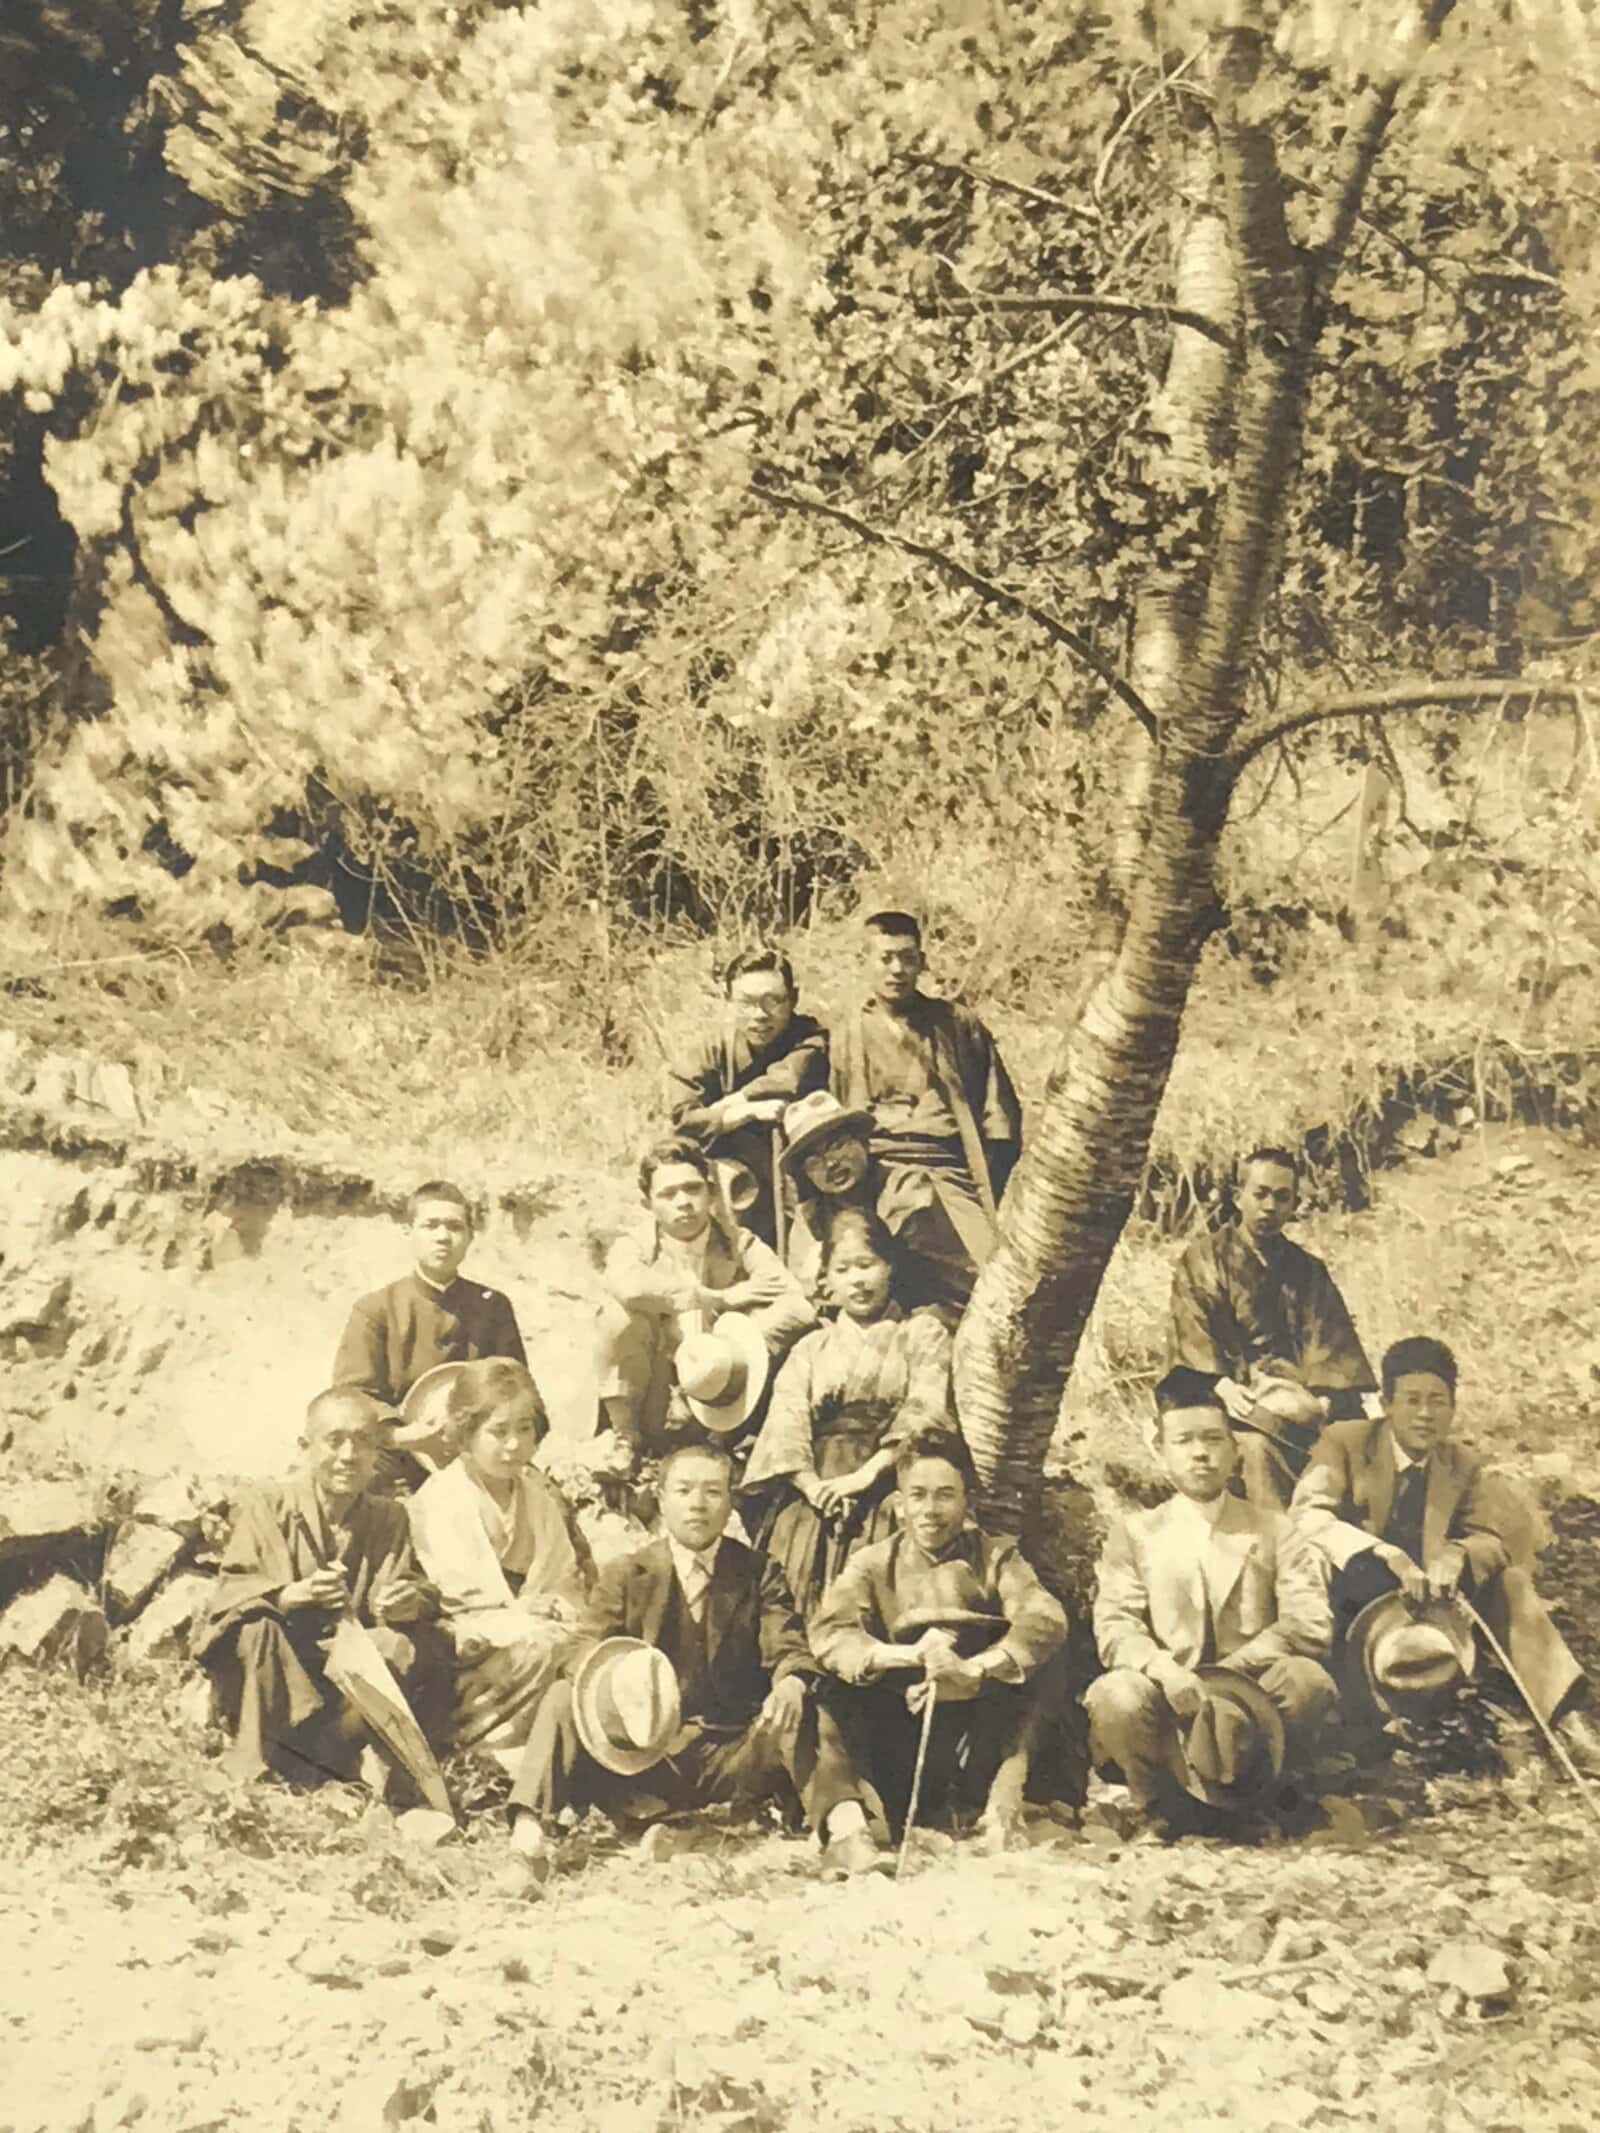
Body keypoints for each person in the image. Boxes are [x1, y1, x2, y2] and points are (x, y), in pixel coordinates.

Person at [505, 1442, 888, 1877]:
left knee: (802, 1701)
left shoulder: (757, 1571)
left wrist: (791, 1680)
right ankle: (527, 1847)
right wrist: (617, 1683)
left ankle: (847, 1833)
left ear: (730, 1503)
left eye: (713, 1492)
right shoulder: (627, 1574)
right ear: (661, 1499)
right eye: (684, 1490)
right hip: (643, 1762)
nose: (698, 1504)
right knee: (561, 1696)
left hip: (733, 1753)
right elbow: (581, 1647)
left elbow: (787, 1644)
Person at [1290, 1335, 1600, 1774]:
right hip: (1355, 1600)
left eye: (1437, 1401)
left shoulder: (1462, 1464)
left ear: (1453, 1408)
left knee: (1511, 1582)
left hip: (1433, 1607)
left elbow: (1491, 1538)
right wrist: (1381, 1553)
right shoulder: (1345, 1442)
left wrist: (1458, 1554)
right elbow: (1306, 1515)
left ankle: (1564, 1718)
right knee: (1311, 1562)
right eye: (1412, 1400)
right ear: (1386, 1404)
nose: (1425, 1414)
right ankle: (1325, 1724)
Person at [1086, 1369, 1338, 1839]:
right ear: (1160, 1450)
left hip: (1252, 1704)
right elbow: (1116, 1627)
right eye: (1184, 1441)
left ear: (1235, 1450)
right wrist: (1164, 1669)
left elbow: (1310, 1623)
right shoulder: (1135, 1534)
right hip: (1171, 1701)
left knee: (1307, 1680)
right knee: (1116, 1692)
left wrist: (1235, 1671)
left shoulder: (1275, 1529)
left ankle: (1270, 1799)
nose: (1200, 1453)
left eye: (1213, 1439)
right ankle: (1154, 1808)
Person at [810, 1426, 1067, 1849]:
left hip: (981, 1729)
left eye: (945, 1495)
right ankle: (852, 1824)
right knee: (824, 1691)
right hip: (902, 1727)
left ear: (967, 1503)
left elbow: (1043, 1617)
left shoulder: (996, 1557)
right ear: (899, 1506)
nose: (930, 1510)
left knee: (1045, 1665)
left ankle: (1005, 1803)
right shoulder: (872, 1563)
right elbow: (830, 1632)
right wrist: (908, 1656)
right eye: (918, 1495)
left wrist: (973, 1670)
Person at [194, 1388, 449, 1792]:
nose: (349, 1456)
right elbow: (231, 1595)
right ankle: (256, 1760)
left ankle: (334, 1756)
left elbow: (413, 1588)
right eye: (334, 1441)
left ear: (377, 1451)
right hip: (274, 1665)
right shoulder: (269, 1504)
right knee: (257, 1627)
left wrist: (405, 1602)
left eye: (362, 1441)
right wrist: (290, 1595)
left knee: (400, 1646)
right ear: (305, 1447)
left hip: (343, 1667)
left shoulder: (389, 1516)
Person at [742, 1207, 953, 1619]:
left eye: (867, 1264)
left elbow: (924, 1410)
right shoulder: (810, 1348)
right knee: (792, 1590)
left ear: (889, 1267)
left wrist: (866, 1476)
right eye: (843, 1269)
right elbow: (786, 1421)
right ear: (827, 1280)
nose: (857, 1279)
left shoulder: (922, 1333)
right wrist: (811, 1486)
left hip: (891, 1479)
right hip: (816, 1490)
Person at [827, 910, 1021, 1317]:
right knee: (864, 1269)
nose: (897, 969)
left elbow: (999, 1115)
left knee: (989, 1279)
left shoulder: (957, 1024)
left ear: (922, 962)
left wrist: (985, 1181)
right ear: (865, 961)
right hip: (876, 1168)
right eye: (885, 958)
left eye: (907, 957)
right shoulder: (846, 1033)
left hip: (948, 1167)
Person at [1167, 1146, 1376, 1508]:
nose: (1269, 1206)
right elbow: (1193, 1337)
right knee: (1257, 1449)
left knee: (1360, 1446)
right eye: (1260, 1194)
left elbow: (1331, 1345)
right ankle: (1277, 1537)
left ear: (1294, 1204)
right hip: (1229, 1397)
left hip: (1300, 1398)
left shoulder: (1308, 1269)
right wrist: (1222, 1384)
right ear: (1238, 1196)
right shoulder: (1202, 1260)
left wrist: (1323, 1400)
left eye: (1282, 1197)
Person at [407, 1358, 592, 1755]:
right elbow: (456, 1597)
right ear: (467, 1431)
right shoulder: (440, 1499)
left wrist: (557, 1604)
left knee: (586, 1649)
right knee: (541, 1649)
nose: (513, 1445)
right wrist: (526, 1611)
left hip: (537, 1631)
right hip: (469, 1644)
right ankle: (486, 1748)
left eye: (524, 1429)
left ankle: (555, 1750)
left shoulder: (540, 1500)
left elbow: (566, 1582)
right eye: (498, 1431)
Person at [597, 1138, 815, 1468]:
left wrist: (738, 1337)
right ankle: (626, 1439)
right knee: (618, 1317)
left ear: (711, 1193)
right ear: (647, 1203)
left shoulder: (739, 1243)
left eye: (693, 1189)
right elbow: (627, 1286)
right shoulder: (635, 1244)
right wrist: (710, 1297)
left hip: (724, 1392)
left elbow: (798, 1305)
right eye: (668, 1194)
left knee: (782, 1322)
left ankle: (721, 1441)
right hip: (658, 1389)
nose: (683, 1202)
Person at [333, 1180, 527, 1490]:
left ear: (470, 1237)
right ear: (408, 1232)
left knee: (543, 1501)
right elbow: (352, 1396)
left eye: (455, 1227)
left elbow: (515, 1388)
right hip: (395, 1456)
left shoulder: (493, 1307)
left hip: (478, 1455)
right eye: (430, 1225)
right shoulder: (375, 1309)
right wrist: (403, 1436)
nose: (443, 1237)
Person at [663, 946, 829, 1250]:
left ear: (793, 999)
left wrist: (730, 1101)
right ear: (728, 1000)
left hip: (802, 1178)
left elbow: (787, 1078)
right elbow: (682, 1121)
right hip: (736, 1183)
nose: (760, 1015)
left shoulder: (810, 1037)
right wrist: (741, 1113)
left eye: (773, 1001)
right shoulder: (710, 1050)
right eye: (747, 1003)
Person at [780, 1090, 976, 1325]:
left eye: (838, 1146)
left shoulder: (905, 1186)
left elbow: (923, 1277)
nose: (830, 1163)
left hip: (932, 1311)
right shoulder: (812, 1216)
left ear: (864, 1143)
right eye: (814, 1162)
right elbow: (805, 1285)